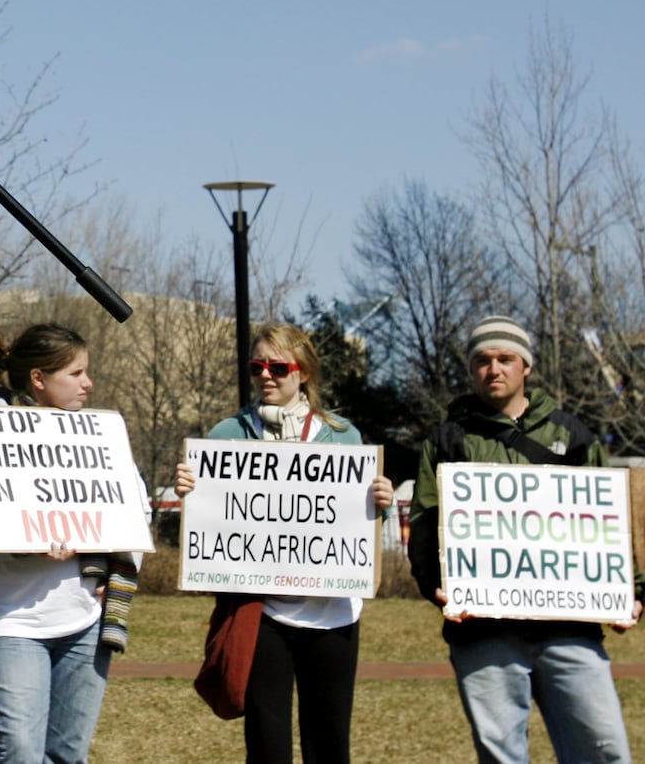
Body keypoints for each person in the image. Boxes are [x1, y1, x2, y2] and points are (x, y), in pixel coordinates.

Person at [407, 315, 641, 764]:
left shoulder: (572, 436)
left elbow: (611, 523)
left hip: (569, 629)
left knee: (605, 750)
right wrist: (433, 584)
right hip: (484, 632)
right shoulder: (448, 440)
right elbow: (424, 520)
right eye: (482, 360)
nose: (493, 369)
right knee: (502, 756)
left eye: (505, 359)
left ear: (525, 367)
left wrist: (631, 591)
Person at [174, 322, 393, 764]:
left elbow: (353, 519)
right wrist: (188, 492)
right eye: (257, 367)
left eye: (278, 366)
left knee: (329, 740)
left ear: (304, 372)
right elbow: (213, 519)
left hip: (332, 613)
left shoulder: (342, 435)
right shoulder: (225, 437)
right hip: (262, 612)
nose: (266, 376)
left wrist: (379, 502)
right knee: (266, 742)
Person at [0, 324, 142, 764]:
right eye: (76, 372)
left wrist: (118, 566)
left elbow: (134, 513)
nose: (88, 383)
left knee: (69, 753)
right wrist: (19, 543)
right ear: (39, 378)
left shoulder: (100, 438)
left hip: (87, 621)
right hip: (13, 624)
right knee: (21, 752)